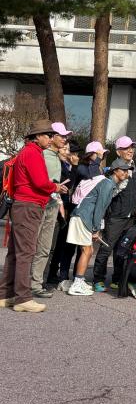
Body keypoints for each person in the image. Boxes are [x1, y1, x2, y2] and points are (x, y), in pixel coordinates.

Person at [0, 120, 69, 313]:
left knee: (15, 252)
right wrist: (54, 186)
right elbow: (40, 182)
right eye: (47, 135)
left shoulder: (27, 151)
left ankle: (6, 294)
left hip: (22, 205)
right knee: (26, 253)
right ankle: (23, 298)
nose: (50, 138)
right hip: (29, 205)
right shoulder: (32, 153)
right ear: (37, 137)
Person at [66, 158, 132, 296]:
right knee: (87, 251)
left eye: (127, 171)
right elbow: (99, 208)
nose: (126, 173)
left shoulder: (108, 184)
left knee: (87, 250)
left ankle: (79, 280)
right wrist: (96, 229)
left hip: (83, 216)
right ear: (115, 171)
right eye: (123, 170)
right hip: (83, 217)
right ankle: (77, 283)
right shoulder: (107, 184)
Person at [92, 136, 136, 292]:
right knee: (106, 247)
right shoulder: (114, 168)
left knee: (123, 249)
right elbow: (111, 193)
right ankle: (98, 278)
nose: (130, 150)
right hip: (115, 216)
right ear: (118, 152)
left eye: (132, 147)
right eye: (126, 148)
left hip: (131, 216)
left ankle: (117, 278)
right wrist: (122, 179)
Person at [30, 121, 73, 298]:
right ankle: (23, 283)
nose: (64, 139)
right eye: (61, 136)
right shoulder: (44, 155)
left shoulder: (56, 157)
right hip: (40, 206)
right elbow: (39, 182)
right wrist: (55, 187)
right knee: (32, 246)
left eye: (65, 136)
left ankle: (35, 284)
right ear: (51, 137)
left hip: (52, 205)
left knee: (45, 247)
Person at [47, 141, 82, 286]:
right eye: (66, 150)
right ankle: (49, 274)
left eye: (71, 151)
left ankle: (53, 273)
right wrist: (74, 167)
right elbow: (69, 185)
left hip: (66, 207)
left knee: (61, 243)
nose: (71, 154)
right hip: (56, 206)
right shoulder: (59, 165)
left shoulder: (67, 166)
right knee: (53, 244)